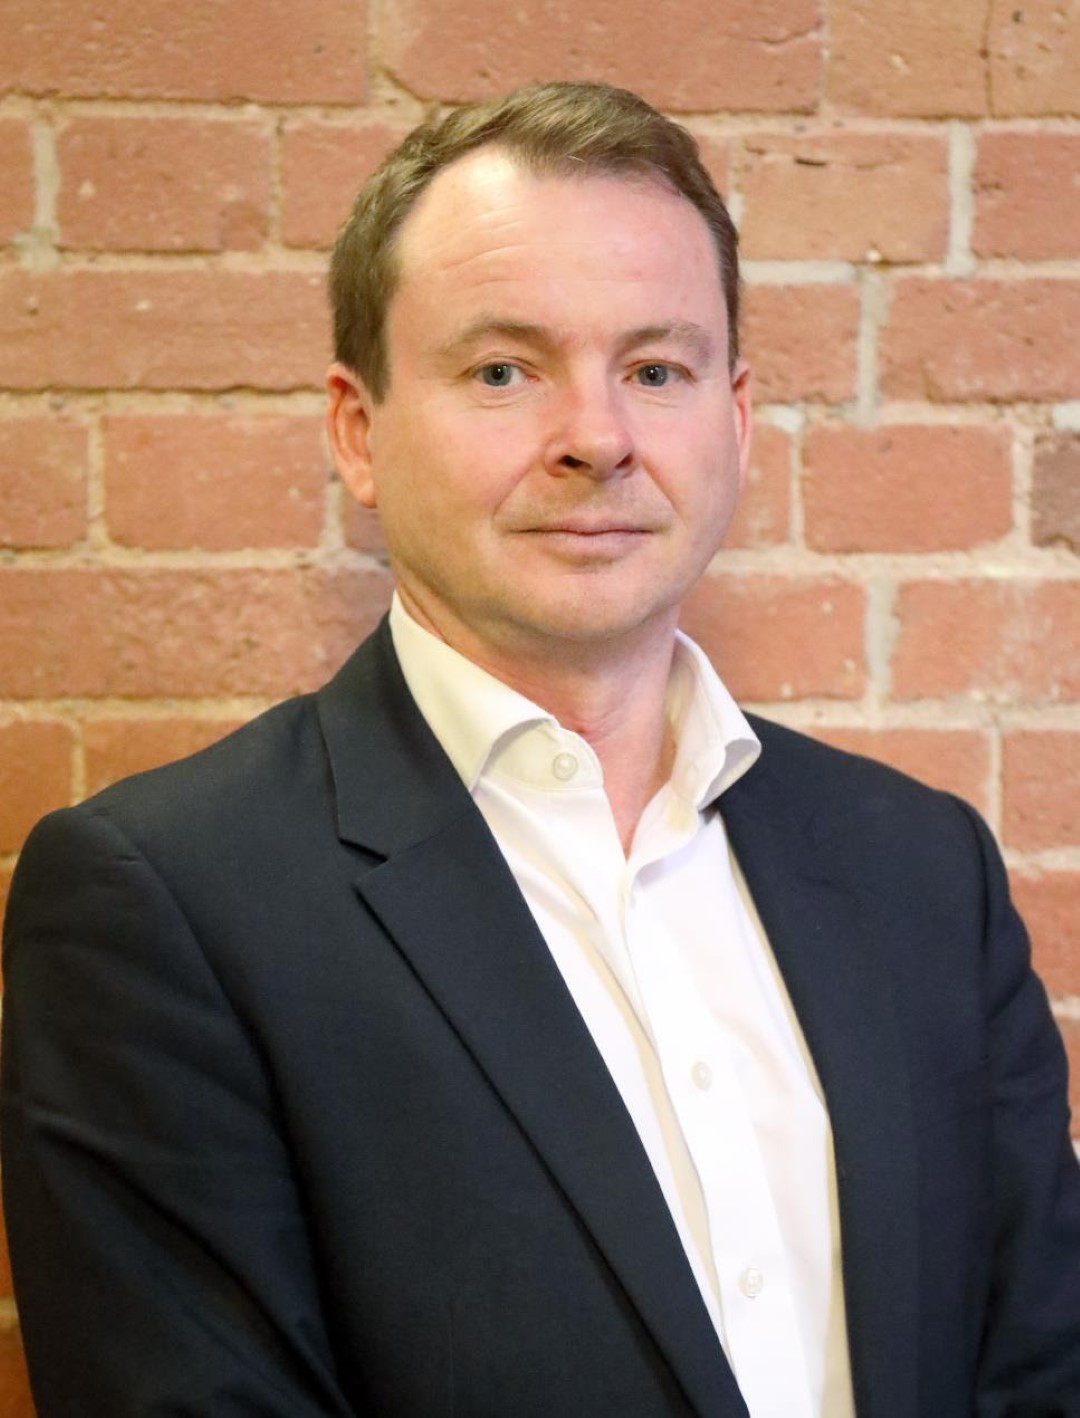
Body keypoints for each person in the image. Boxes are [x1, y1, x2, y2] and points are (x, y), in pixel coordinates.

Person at [2, 81, 1078, 1418]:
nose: (597, 436)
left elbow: (1042, 1367)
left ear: (735, 420)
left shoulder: (925, 870)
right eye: (505, 369)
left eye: (655, 369)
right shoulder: (168, 907)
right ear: (358, 429)